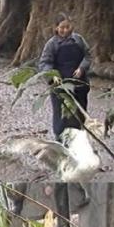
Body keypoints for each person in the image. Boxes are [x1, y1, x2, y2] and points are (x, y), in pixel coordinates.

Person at [38, 13, 92, 141]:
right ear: (56, 28)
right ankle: (60, 139)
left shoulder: (78, 40)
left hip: (79, 83)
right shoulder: (52, 44)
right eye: (62, 27)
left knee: (79, 111)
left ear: (71, 26)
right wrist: (53, 76)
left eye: (67, 27)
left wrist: (82, 68)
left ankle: (79, 137)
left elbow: (88, 56)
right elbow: (44, 63)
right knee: (61, 113)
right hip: (60, 86)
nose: (65, 30)